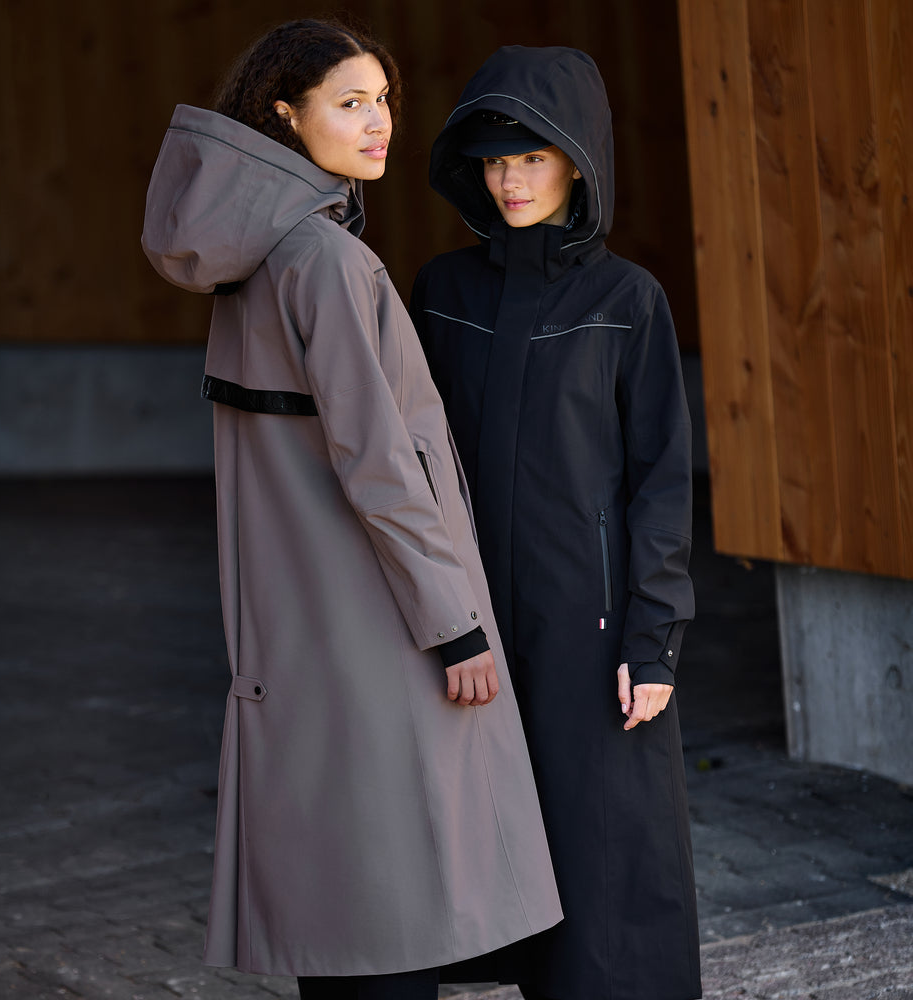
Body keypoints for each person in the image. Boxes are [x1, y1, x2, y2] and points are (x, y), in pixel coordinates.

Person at [140, 20, 562, 1000]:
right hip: (383, 621)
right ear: (285, 115)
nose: (378, 124)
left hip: (302, 623)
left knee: (338, 900)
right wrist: (455, 626)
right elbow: (380, 464)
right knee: (397, 900)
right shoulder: (325, 262)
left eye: (383, 101)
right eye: (350, 102)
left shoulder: (252, 259)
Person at [412, 46, 700, 1000]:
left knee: (603, 840)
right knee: (483, 821)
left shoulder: (629, 301)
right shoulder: (442, 293)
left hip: (592, 624)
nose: (510, 180)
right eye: (496, 160)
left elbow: (661, 481)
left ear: (578, 163)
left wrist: (654, 639)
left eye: (532, 158)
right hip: (474, 618)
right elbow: (412, 459)